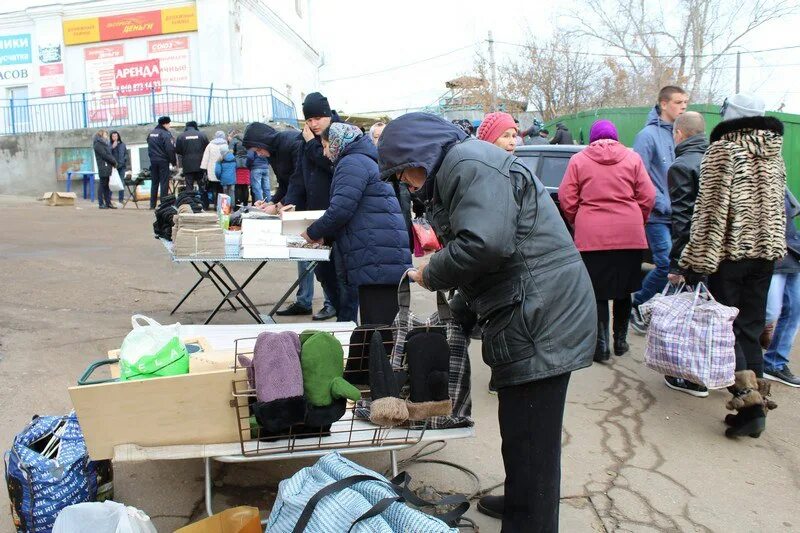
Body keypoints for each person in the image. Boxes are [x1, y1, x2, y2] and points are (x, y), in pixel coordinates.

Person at [378, 113, 596, 532]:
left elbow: (485, 243)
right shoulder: (463, 164)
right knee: (521, 429)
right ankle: (522, 500)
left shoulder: (468, 163)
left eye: (403, 172)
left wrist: (433, 271)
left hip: (542, 313)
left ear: (419, 155)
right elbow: (492, 253)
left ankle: (530, 521)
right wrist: (458, 310)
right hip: (532, 306)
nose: (404, 182)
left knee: (531, 435)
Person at [677, 93, 786, 439]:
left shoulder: (724, 149)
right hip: (766, 253)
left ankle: (750, 406)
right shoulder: (773, 150)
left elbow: (709, 211)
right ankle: (757, 405)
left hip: (729, 254)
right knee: (750, 326)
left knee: (727, 329)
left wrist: (696, 261)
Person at [558, 120, 655, 363]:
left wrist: (578, 219)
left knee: (597, 294)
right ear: (616, 136)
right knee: (624, 291)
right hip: (629, 235)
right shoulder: (632, 159)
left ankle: (600, 348)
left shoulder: (579, 161)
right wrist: (637, 219)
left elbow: (566, 197)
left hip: (592, 236)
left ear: (592, 138)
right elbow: (648, 195)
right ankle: (620, 343)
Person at [302, 123, 411, 324]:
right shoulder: (360, 160)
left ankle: (379, 356)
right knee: (379, 323)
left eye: (325, 146)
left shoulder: (351, 163)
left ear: (336, 143)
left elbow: (341, 209)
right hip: (378, 250)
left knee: (379, 325)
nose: (325, 153)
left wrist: (311, 232)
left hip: (376, 254)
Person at [629, 86, 689, 331]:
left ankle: (662, 316)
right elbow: (639, 176)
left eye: (686, 102)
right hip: (658, 215)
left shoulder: (680, 134)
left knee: (680, 267)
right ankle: (638, 305)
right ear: (664, 104)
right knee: (665, 264)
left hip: (680, 214)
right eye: (678, 102)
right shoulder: (647, 135)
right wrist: (661, 203)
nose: (683, 106)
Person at [281, 91, 341, 321]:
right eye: (309, 120)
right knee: (321, 266)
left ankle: (333, 305)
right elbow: (298, 177)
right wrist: (289, 202)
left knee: (337, 266)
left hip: (336, 211)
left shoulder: (339, 135)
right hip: (314, 211)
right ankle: (329, 303)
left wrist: (311, 145)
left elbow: (331, 165)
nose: (314, 124)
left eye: (318, 118)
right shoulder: (304, 141)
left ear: (328, 116)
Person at [242, 122, 313, 317]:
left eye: (257, 149)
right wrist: (270, 202)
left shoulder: (292, 143)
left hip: (313, 203)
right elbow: (284, 183)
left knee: (318, 256)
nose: (258, 154)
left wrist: (281, 205)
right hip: (296, 205)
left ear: (263, 142)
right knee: (302, 253)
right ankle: (304, 300)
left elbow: (300, 179)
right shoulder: (273, 153)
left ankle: (330, 303)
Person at [664, 111, 711, 397]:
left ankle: (693, 378)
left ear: (679, 134)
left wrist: (677, 264)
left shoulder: (682, 165)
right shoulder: (719, 159)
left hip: (696, 253)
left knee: (691, 318)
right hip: (722, 253)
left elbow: (683, 219)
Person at [761, 190, 800, 387]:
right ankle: (725, 352)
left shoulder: (779, 177)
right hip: (770, 254)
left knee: (795, 310)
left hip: (792, 250)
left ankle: (775, 363)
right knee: (769, 312)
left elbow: (795, 207)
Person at [175, 121, 209, 208]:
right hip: (201, 164)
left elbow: (178, 151)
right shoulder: (202, 135)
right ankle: (204, 205)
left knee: (189, 186)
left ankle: (190, 205)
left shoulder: (181, 136)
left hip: (187, 165)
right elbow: (207, 148)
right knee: (202, 185)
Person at [147, 116, 176, 209]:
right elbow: (170, 149)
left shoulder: (151, 133)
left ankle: (152, 205)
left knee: (154, 183)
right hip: (163, 161)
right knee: (164, 182)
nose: (169, 126)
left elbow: (149, 146)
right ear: (165, 124)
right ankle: (163, 205)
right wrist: (173, 162)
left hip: (153, 161)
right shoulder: (166, 134)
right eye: (169, 124)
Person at [201, 131, 229, 207]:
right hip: (223, 169)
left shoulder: (210, 145)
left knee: (213, 188)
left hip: (212, 170)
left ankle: (215, 204)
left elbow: (205, 158)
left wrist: (204, 168)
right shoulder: (226, 145)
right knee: (221, 188)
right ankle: (221, 205)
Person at [92, 129, 117, 210]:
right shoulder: (98, 144)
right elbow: (105, 155)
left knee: (107, 186)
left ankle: (108, 202)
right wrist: (113, 161)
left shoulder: (104, 143)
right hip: (103, 166)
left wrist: (112, 162)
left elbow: (108, 153)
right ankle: (101, 203)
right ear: (101, 135)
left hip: (107, 166)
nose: (107, 136)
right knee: (102, 185)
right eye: (105, 135)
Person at [109, 131, 126, 204]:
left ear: (118, 136)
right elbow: (107, 154)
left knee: (121, 182)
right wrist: (112, 147)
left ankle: (121, 199)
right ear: (111, 137)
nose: (115, 137)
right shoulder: (109, 145)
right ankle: (108, 199)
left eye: (116, 136)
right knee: (111, 182)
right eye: (113, 136)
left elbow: (126, 154)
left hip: (122, 166)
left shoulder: (122, 144)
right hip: (113, 167)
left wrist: (124, 160)